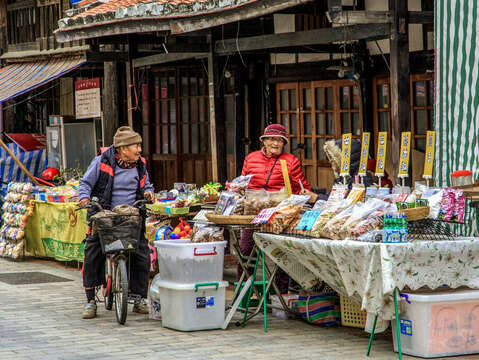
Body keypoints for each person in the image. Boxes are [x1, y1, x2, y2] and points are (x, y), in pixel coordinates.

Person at [79, 126, 155, 319]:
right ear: (122, 148)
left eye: (139, 145)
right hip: (104, 214)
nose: (139, 150)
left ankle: (139, 298)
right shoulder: (102, 161)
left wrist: (148, 193)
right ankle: (90, 300)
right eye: (135, 146)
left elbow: (146, 184)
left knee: (142, 253)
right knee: (93, 250)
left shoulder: (140, 164)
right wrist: (85, 198)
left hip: (131, 215)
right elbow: (85, 183)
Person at [240, 124, 314, 294]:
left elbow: (301, 186)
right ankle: (244, 292)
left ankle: (279, 294)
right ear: (264, 141)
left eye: (280, 140)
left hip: (279, 216)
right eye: (272, 139)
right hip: (252, 214)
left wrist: (305, 194)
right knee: (245, 250)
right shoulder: (251, 158)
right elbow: (243, 183)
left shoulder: (290, 161)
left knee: (282, 254)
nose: (276, 143)